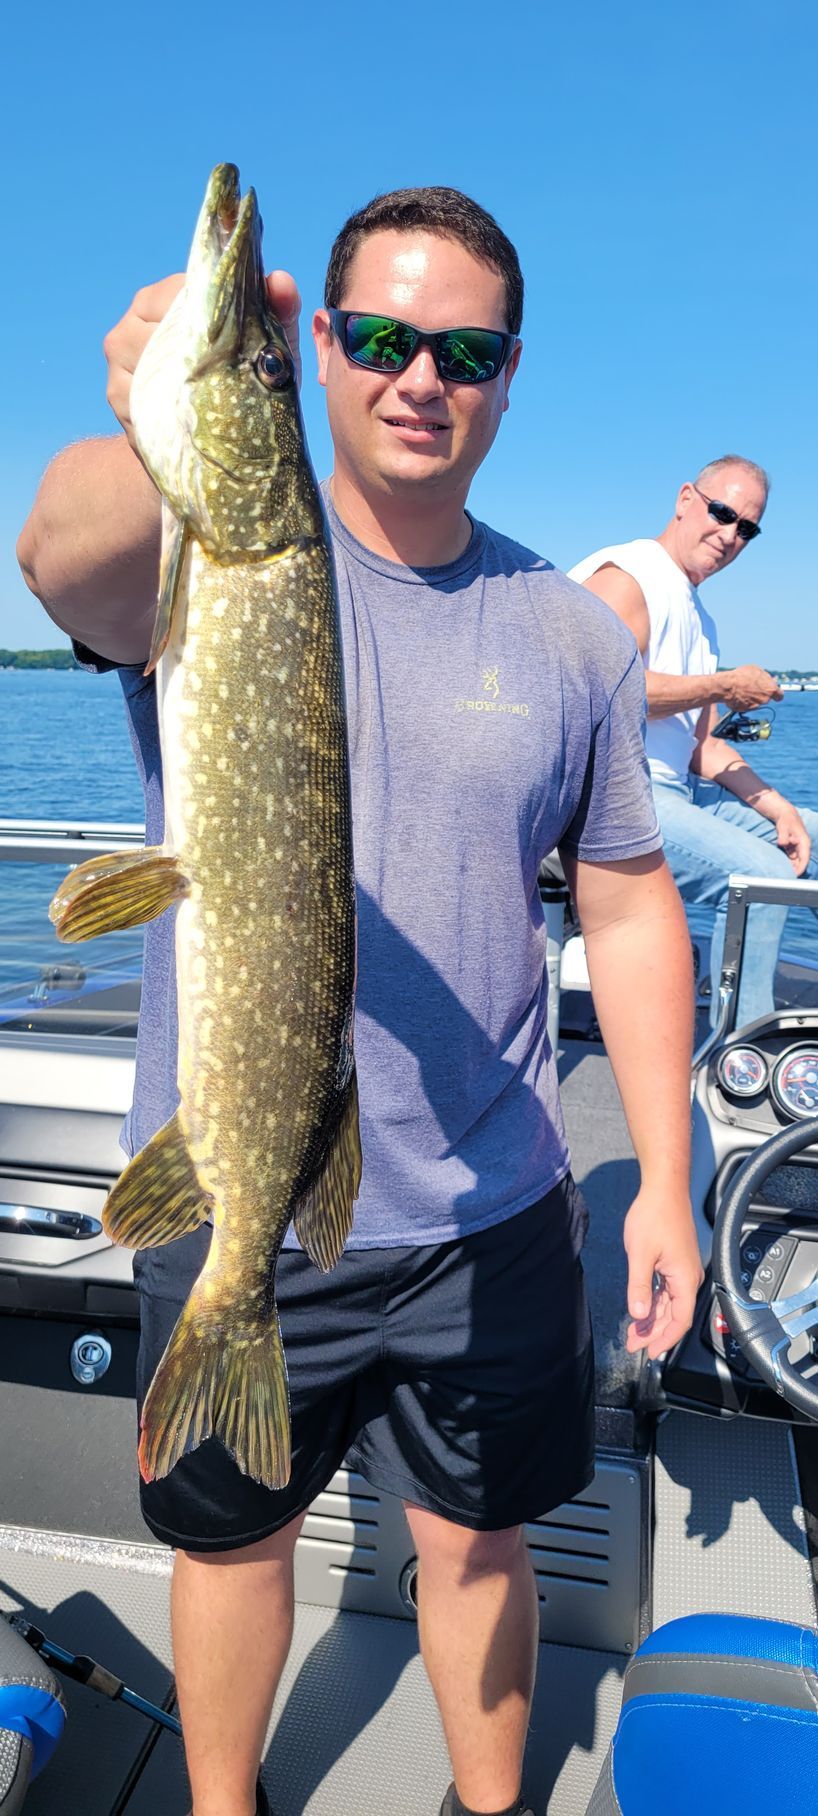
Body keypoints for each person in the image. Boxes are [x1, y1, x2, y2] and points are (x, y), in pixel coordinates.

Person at [17, 186, 703, 1816]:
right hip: (238, 1168)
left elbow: (620, 892)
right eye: (382, 338)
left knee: (478, 1542)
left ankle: (485, 1808)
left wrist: (663, 1175)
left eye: (461, 350)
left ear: (506, 375)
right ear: (318, 350)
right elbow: (68, 555)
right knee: (234, 1538)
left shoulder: (570, 633)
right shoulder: (208, 554)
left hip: (489, 1207)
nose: (420, 377)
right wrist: (144, 411)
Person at [569, 459, 818, 1029]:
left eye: (746, 528)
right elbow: (600, 691)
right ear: (686, 498)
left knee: (813, 832)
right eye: (723, 513)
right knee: (769, 881)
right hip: (614, 795)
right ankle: (744, 1038)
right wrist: (724, 685)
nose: (730, 535)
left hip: (675, 791)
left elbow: (699, 744)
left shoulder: (700, 618)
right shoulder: (628, 574)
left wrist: (778, 806)